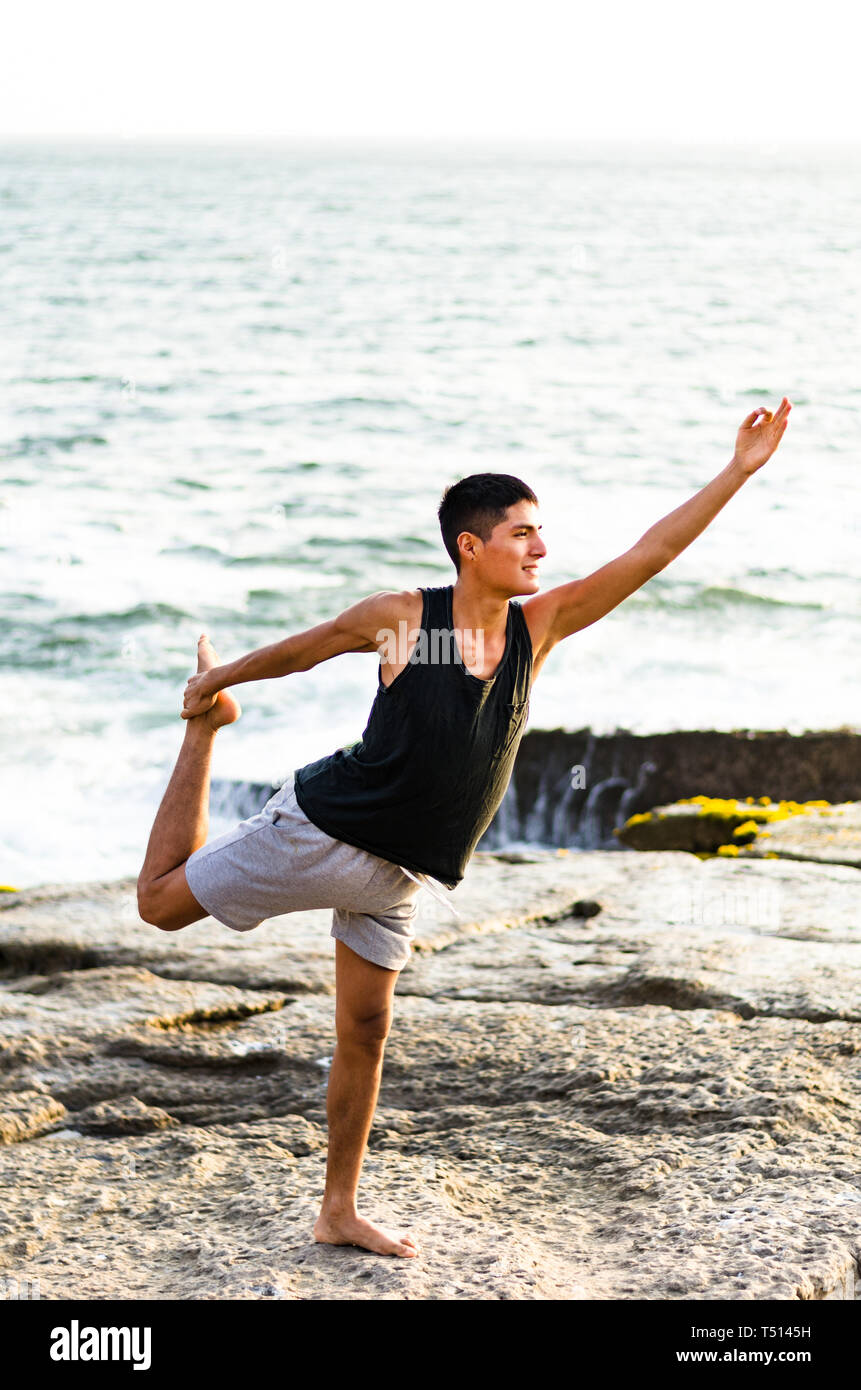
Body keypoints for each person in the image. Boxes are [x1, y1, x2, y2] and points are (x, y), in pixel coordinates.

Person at [137, 398, 792, 1257]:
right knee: (158, 908)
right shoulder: (407, 618)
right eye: (522, 533)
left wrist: (736, 472)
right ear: (469, 547)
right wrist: (214, 688)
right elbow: (302, 649)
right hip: (323, 830)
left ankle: (338, 1209)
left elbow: (650, 554)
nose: (541, 550)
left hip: (402, 874)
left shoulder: (536, 627)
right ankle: (202, 739)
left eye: (540, 533)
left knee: (365, 1031)